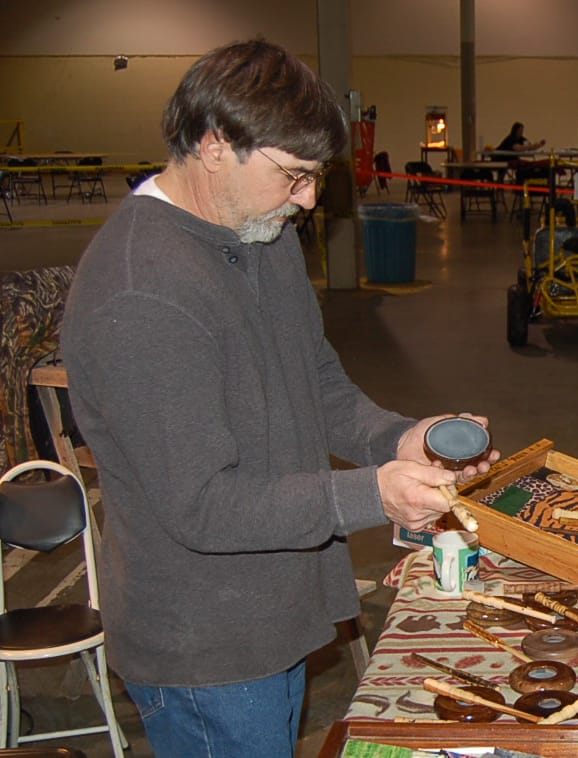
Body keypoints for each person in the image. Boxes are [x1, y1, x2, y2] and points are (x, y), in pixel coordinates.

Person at [60, 39, 500, 757]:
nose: (308, 199)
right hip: (209, 646)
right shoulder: (143, 293)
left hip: (275, 607)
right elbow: (202, 504)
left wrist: (400, 438)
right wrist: (374, 494)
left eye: (316, 176)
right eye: (293, 175)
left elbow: (313, 378)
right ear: (214, 144)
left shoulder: (259, 232)